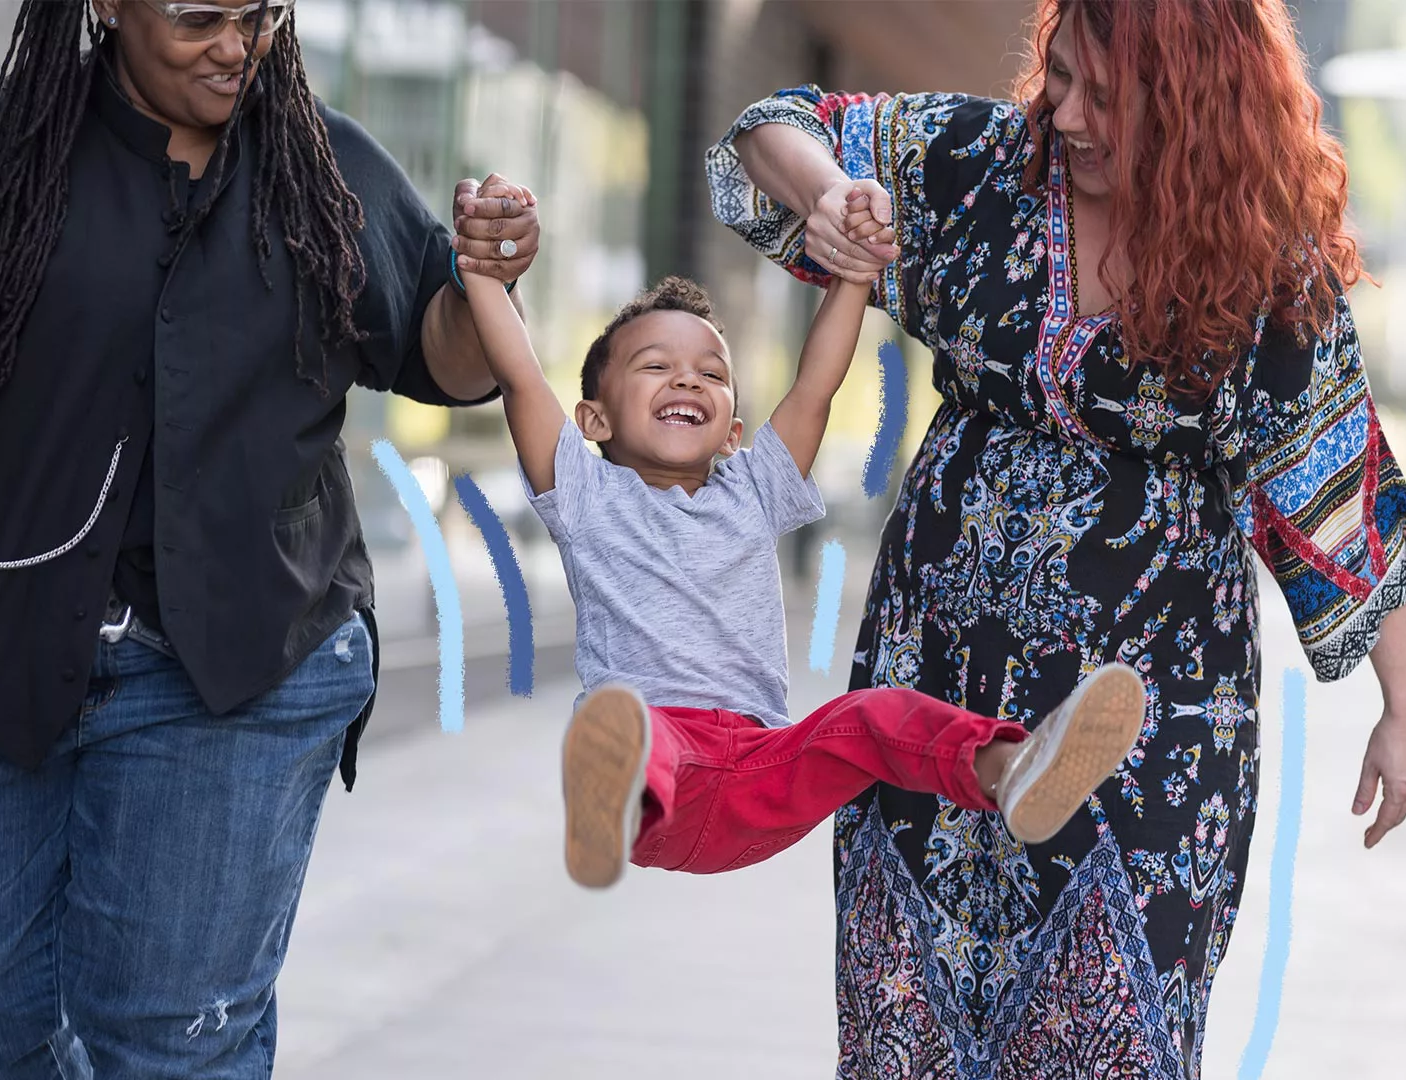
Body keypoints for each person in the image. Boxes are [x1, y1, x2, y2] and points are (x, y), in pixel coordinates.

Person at [0, 2, 533, 1076]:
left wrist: (478, 286)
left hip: (242, 667)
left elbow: (442, 362)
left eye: (260, 14)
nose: (237, 44)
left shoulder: (325, 167)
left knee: (169, 1039)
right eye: (200, 18)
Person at [708, 0, 1406, 1074]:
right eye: (1063, 77)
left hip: (1155, 731)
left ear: (1195, 107)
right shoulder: (981, 163)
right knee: (907, 1022)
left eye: (1108, 93)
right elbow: (774, 123)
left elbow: (1331, 477)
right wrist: (831, 200)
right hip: (935, 689)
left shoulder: (1265, 262)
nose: (1069, 110)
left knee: (1111, 1037)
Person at [450, 192, 1148, 891]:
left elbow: (816, 386)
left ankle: (1012, 771)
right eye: (656, 367)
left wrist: (856, 273)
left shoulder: (752, 491)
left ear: (732, 433)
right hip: (663, 771)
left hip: (762, 770)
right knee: (631, 726)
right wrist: (483, 272)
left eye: (712, 373)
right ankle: (610, 804)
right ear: (593, 421)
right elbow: (519, 376)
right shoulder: (584, 494)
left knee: (870, 714)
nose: (688, 377)